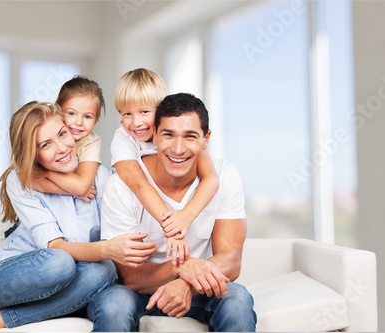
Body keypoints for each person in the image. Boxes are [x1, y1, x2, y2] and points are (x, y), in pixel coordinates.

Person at [0, 102, 157, 332]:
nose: (62, 148)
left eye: (62, 134)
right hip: (26, 276)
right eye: (45, 145)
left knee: (110, 283)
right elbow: (57, 248)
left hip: (84, 284)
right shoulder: (22, 181)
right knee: (60, 262)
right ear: (32, 154)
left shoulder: (103, 178)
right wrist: (107, 248)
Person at [88, 93, 257, 332]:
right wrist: (179, 268)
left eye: (190, 136)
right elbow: (130, 278)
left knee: (236, 298)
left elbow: (231, 261)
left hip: (196, 289)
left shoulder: (225, 175)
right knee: (114, 303)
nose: (178, 149)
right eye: (168, 135)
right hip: (137, 293)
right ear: (154, 134)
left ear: (206, 139)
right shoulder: (121, 186)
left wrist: (186, 284)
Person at [111, 68, 219, 264]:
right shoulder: (123, 139)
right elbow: (138, 184)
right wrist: (172, 230)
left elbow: (211, 179)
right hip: (137, 214)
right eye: (127, 114)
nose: (136, 123)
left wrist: (186, 216)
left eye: (144, 112)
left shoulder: (180, 137)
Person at [31, 75, 105, 201]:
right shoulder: (44, 131)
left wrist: (45, 172)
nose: (79, 122)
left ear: (96, 119)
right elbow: (28, 180)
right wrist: (72, 192)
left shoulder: (91, 143)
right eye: (71, 113)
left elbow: (81, 186)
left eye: (87, 117)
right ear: (58, 110)